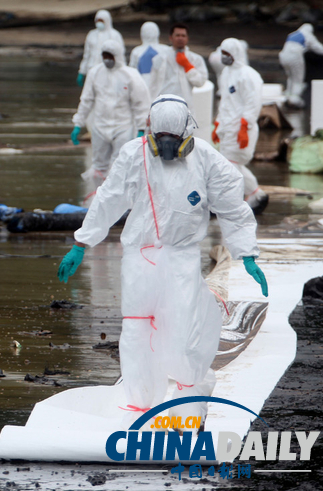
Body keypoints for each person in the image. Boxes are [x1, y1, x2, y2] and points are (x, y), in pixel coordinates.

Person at [58, 95, 268, 428]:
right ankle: (140, 407)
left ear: (188, 132)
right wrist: (82, 243)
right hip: (139, 258)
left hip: (181, 259)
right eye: (161, 140)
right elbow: (108, 199)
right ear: (151, 134)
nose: (168, 147)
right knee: (137, 332)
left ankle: (187, 411)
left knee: (183, 334)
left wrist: (247, 252)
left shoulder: (206, 159)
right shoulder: (133, 154)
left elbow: (232, 206)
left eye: (174, 140)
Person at [71, 40, 150, 206]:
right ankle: (99, 201)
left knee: (119, 167)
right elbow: (86, 100)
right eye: (104, 56)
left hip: (123, 127)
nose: (107, 59)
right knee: (97, 167)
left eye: (110, 56)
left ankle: (118, 203)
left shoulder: (130, 75)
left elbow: (140, 104)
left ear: (118, 56)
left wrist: (142, 128)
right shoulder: (95, 73)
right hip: (99, 126)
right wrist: (78, 123)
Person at [212, 38, 267, 213]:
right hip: (228, 128)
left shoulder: (248, 75)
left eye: (227, 54)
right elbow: (225, 103)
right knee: (229, 165)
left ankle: (256, 194)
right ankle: (249, 196)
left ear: (235, 54)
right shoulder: (226, 74)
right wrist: (217, 124)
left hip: (242, 129)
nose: (224, 57)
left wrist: (245, 126)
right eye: (223, 53)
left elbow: (253, 102)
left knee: (230, 164)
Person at [148, 23, 208, 108]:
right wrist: (150, 108)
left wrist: (187, 66)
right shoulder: (159, 58)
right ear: (170, 38)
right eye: (177, 35)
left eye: (183, 36)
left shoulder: (195, 59)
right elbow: (152, 85)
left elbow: (200, 82)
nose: (180, 38)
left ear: (187, 38)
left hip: (185, 105)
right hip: (163, 105)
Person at [279, 23, 323, 108]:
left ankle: (288, 95)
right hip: (295, 57)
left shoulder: (292, 34)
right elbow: (319, 49)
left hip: (283, 56)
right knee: (298, 79)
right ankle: (294, 99)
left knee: (290, 77)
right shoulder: (307, 35)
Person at [76, 10, 124, 88]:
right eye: (97, 21)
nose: (99, 23)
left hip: (109, 71)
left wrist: (121, 71)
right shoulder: (91, 34)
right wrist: (82, 71)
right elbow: (87, 55)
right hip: (91, 69)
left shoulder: (115, 35)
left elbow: (120, 55)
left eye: (101, 21)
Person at [129, 22, 167, 89]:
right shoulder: (136, 51)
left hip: (160, 84)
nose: (150, 33)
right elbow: (132, 71)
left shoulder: (137, 51)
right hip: (144, 85)